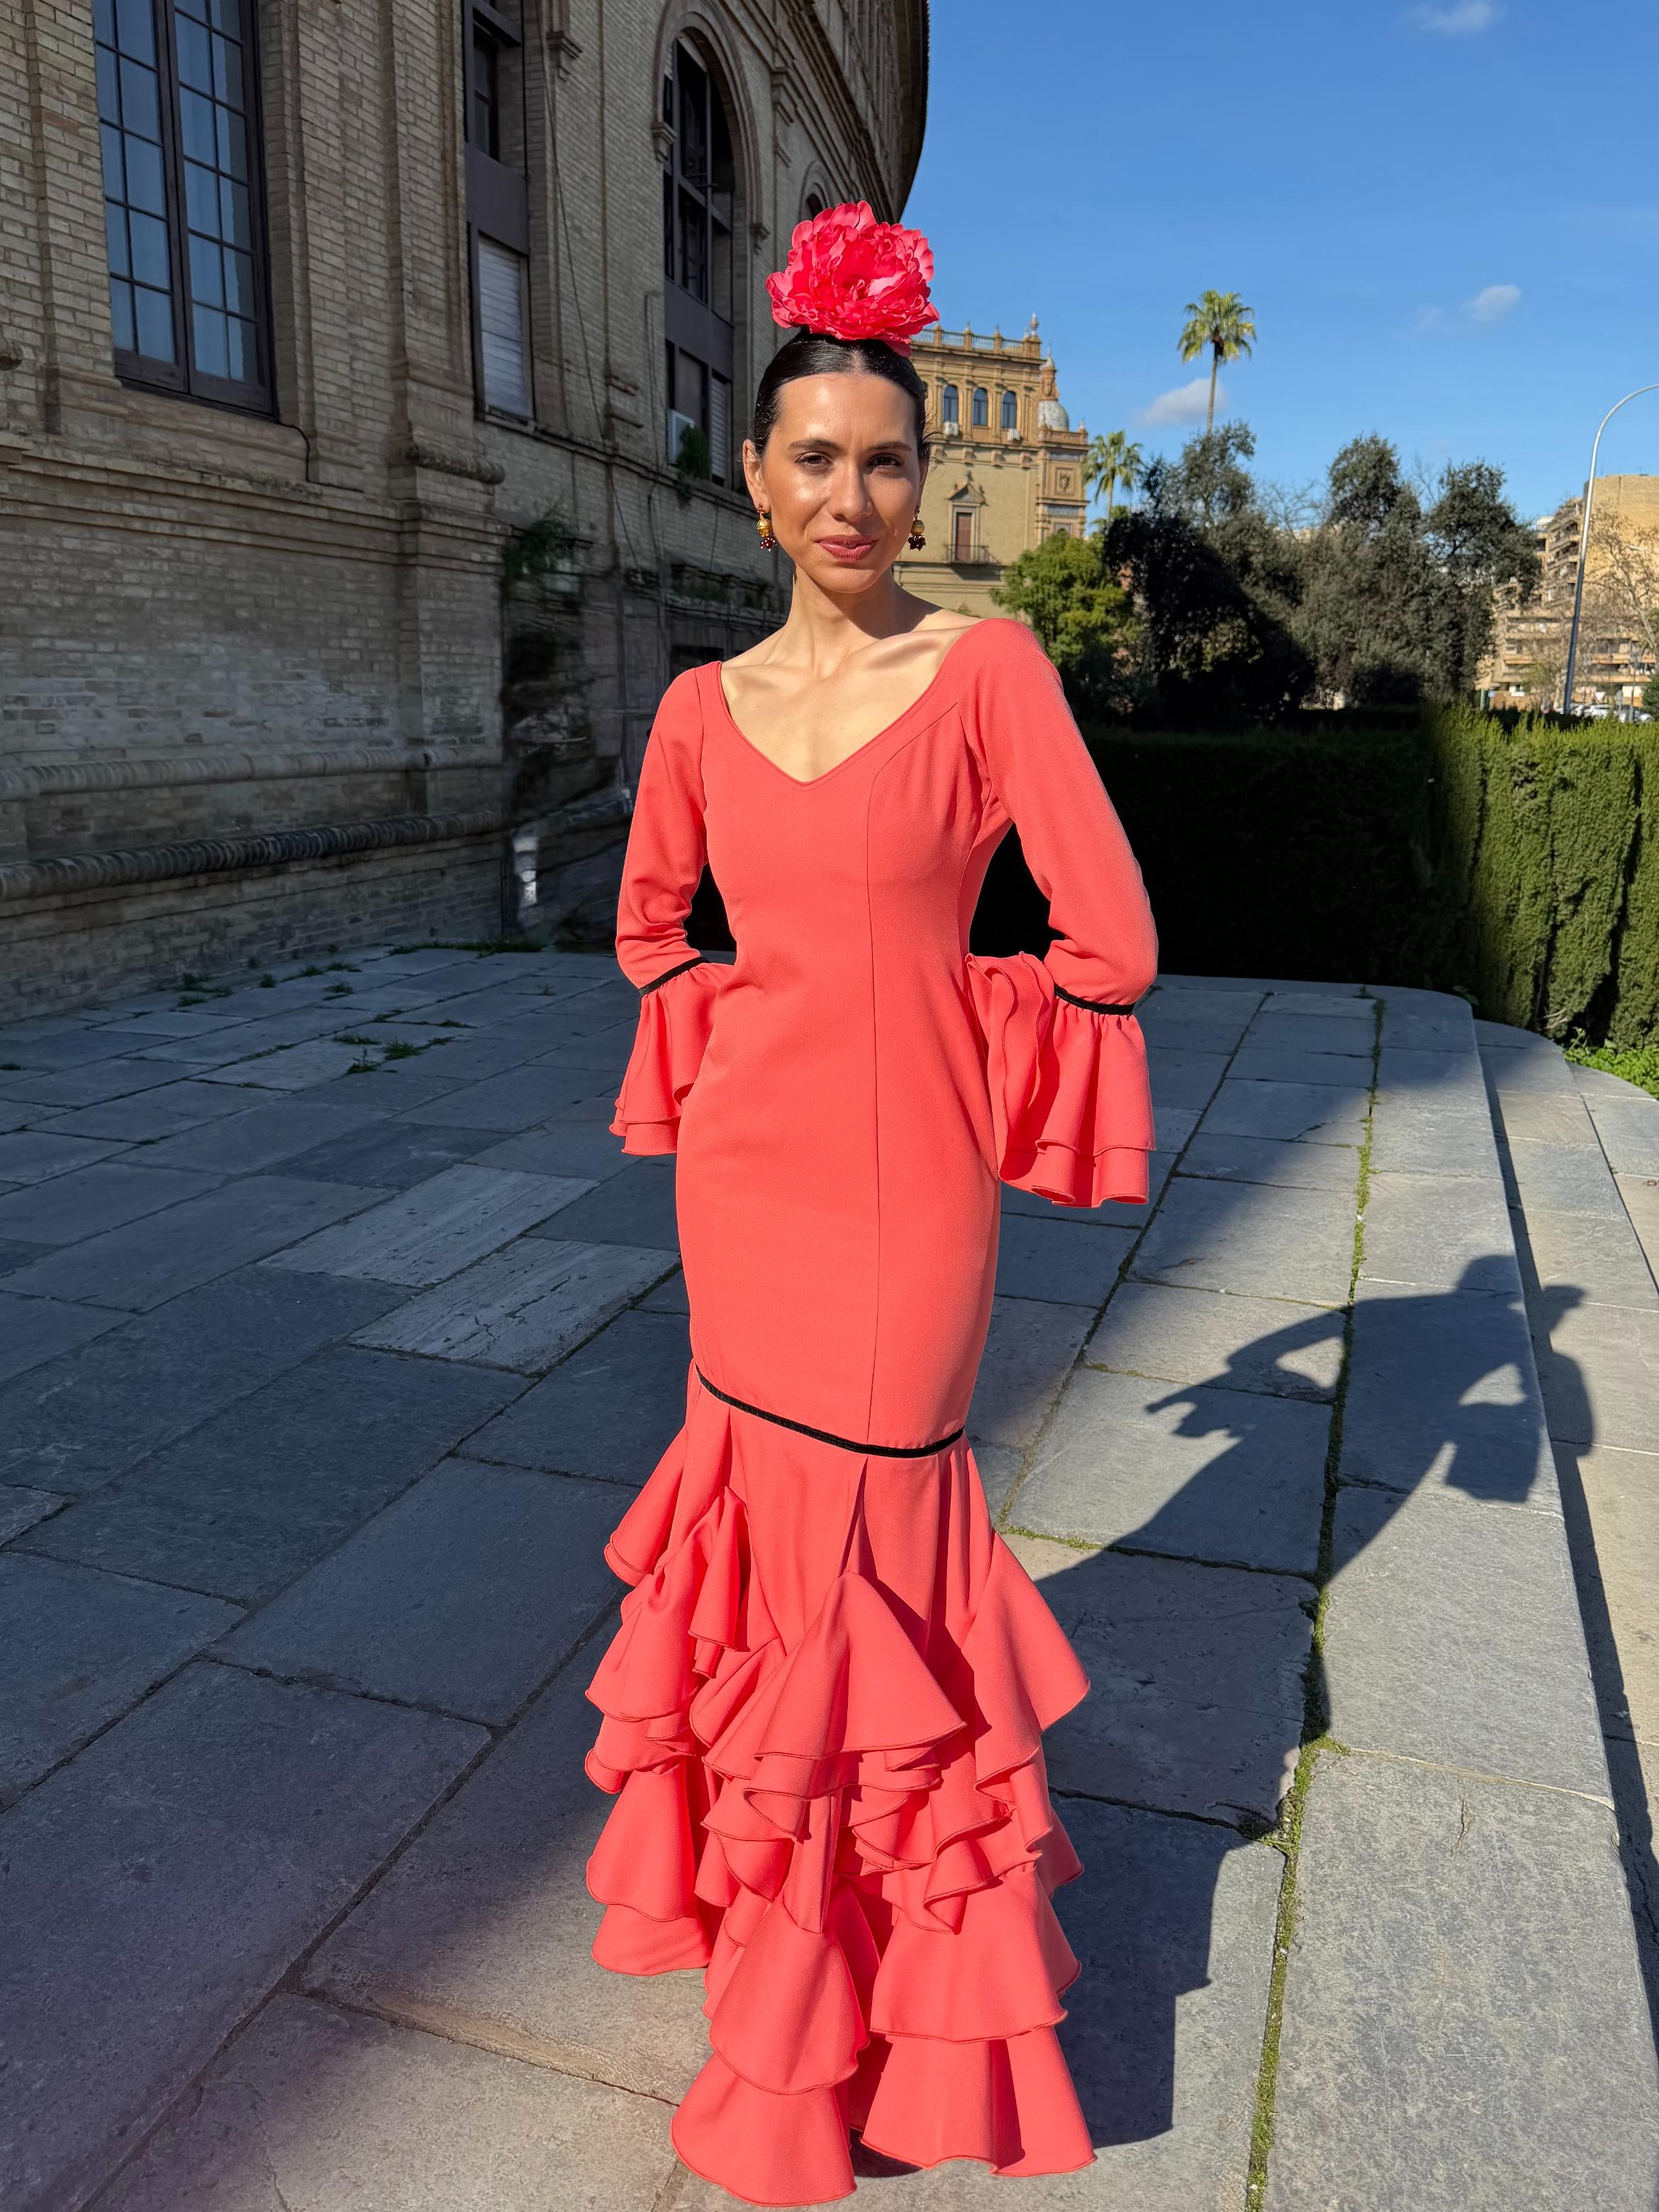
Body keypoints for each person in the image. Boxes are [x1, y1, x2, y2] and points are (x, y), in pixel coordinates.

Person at [581, 201, 1158, 2207]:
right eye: (813, 458)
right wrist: (736, 1034)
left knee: (882, 1546)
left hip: (912, 1210)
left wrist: (948, 1038)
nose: (853, 492)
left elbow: (1109, 937)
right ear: (751, 481)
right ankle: (779, 1968)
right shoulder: (690, 713)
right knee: (754, 1557)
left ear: (925, 479)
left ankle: (885, 2011)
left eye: (886, 458)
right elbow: (649, 929)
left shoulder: (990, 671)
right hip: (740, 1208)